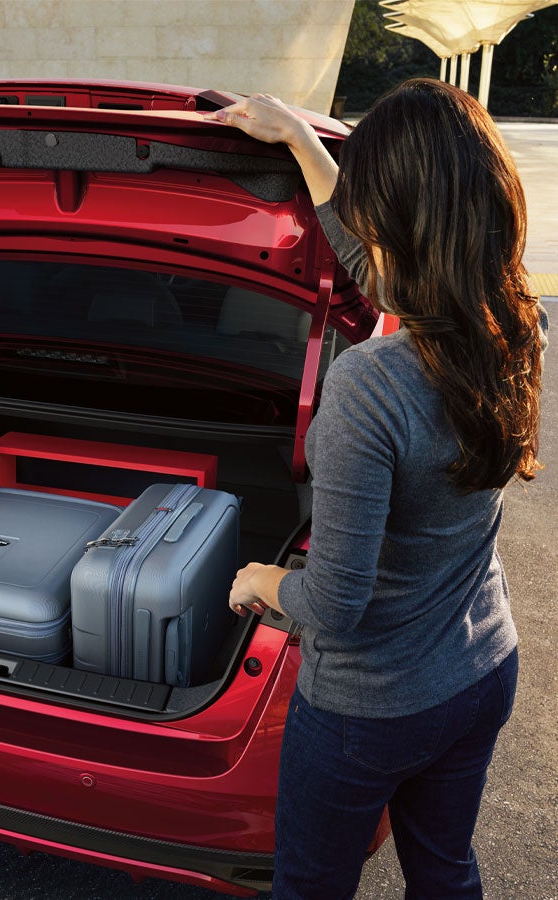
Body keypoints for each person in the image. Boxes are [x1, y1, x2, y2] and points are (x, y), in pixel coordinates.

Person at [210, 79, 547, 899]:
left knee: (309, 887)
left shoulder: (370, 387)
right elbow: (373, 268)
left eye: (371, 218)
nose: (358, 235)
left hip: (372, 710)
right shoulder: (514, 322)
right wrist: (300, 140)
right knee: (444, 870)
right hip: (480, 670)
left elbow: (337, 601)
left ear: (405, 230)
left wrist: (261, 582)